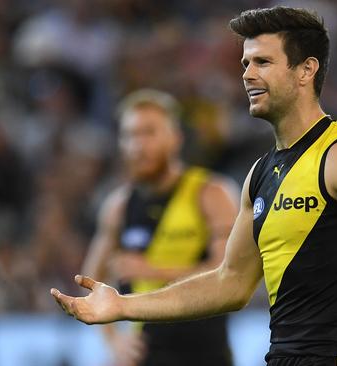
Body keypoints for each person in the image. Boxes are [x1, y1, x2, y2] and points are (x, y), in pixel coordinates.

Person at [52, 7, 337, 366]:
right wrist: (124, 306)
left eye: (262, 62)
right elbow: (230, 282)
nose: (246, 74)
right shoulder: (260, 173)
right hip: (282, 357)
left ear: (306, 70)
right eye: (245, 63)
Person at [80, 89, 238, 366]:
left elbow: (229, 272)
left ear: (175, 138)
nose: (138, 145)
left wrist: (153, 270)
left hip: (205, 356)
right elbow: (91, 278)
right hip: (146, 357)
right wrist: (114, 341)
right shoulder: (118, 206)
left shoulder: (210, 194)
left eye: (149, 132)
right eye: (130, 135)